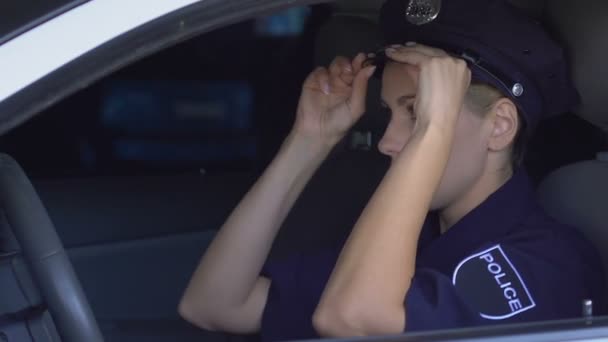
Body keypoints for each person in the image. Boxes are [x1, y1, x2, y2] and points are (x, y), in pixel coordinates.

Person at [179, 0, 606, 340]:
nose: (386, 142)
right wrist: (310, 141)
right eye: (389, 115)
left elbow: (350, 321)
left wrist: (434, 129)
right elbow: (214, 305)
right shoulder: (418, 236)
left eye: (416, 114)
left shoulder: (546, 266)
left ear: (499, 127)